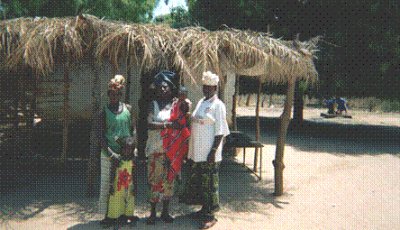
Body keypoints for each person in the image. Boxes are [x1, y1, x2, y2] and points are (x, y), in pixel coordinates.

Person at [184, 71, 230, 229]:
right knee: (201, 183)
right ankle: (204, 209)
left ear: (215, 88)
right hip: (198, 152)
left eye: (210, 88)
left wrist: (213, 151)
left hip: (210, 153)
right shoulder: (201, 102)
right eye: (205, 87)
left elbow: (221, 130)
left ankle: (211, 216)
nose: (207, 90)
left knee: (211, 184)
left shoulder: (219, 106)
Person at [145, 70, 189, 225]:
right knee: (154, 181)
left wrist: (184, 102)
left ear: (171, 89)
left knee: (168, 181)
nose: (163, 89)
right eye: (161, 87)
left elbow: (185, 112)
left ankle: (165, 212)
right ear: (156, 89)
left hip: (171, 151)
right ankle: (152, 213)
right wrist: (168, 124)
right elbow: (150, 124)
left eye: (166, 87)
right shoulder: (153, 104)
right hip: (155, 149)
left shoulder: (175, 106)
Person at [95, 75, 138, 227]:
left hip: (126, 156)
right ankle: (107, 216)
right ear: (108, 95)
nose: (114, 96)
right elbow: (100, 137)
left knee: (124, 185)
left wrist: (134, 148)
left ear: (121, 95)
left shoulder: (129, 109)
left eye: (117, 94)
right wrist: (111, 154)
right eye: (111, 94)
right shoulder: (103, 112)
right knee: (107, 185)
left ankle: (121, 214)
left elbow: (133, 130)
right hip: (109, 154)